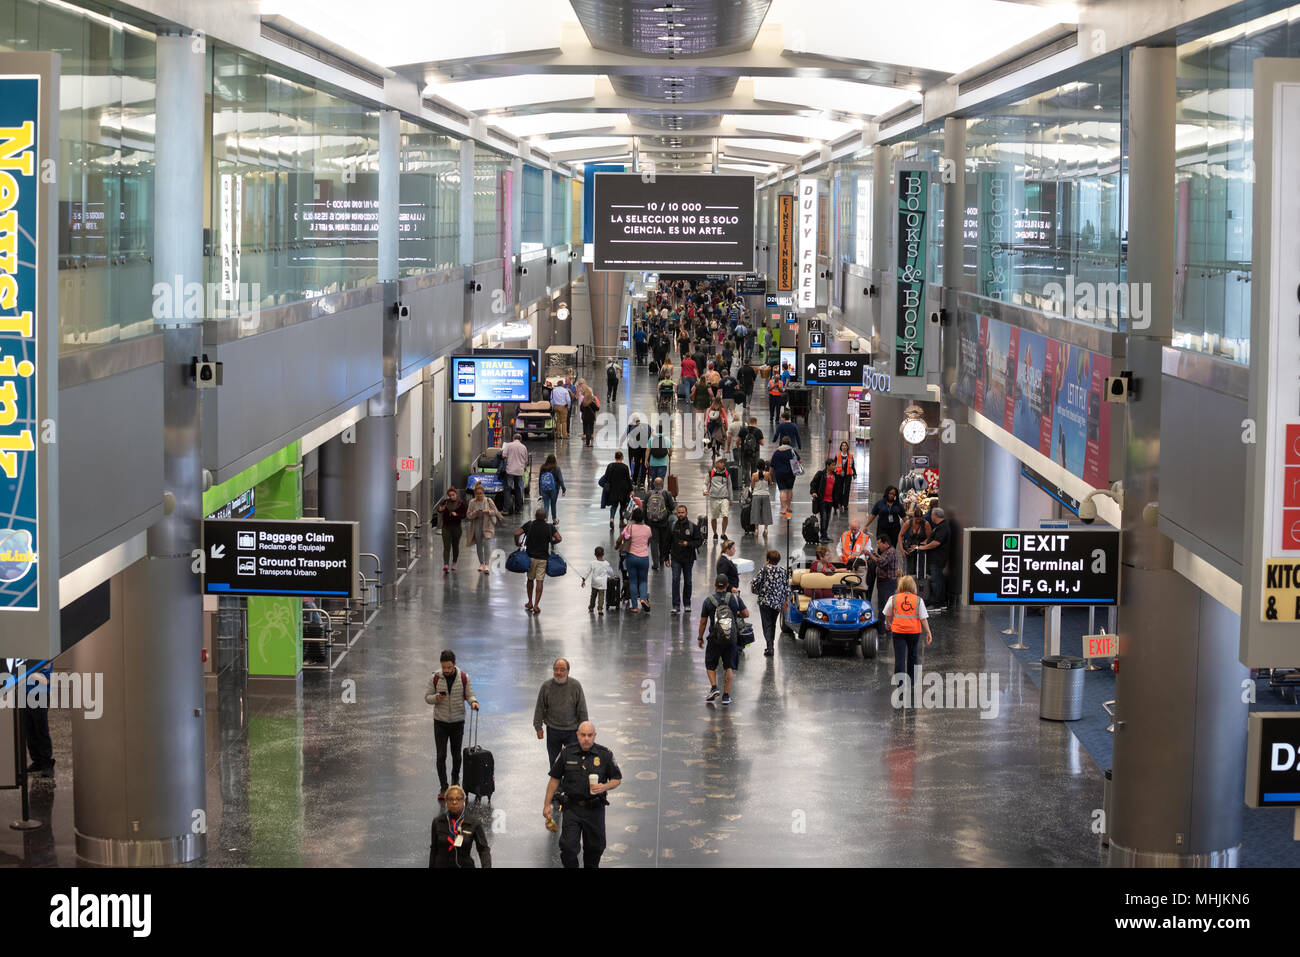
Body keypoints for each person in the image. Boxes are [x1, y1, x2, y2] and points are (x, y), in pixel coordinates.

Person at [543, 721, 622, 868]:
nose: (586, 739)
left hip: (595, 809)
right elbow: (554, 779)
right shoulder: (566, 753)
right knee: (567, 848)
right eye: (583, 735)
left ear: (595, 736)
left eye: (590, 735)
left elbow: (617, 779)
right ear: (577, 735)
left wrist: (604, 786)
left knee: (595, 849)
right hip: (572, 808)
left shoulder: (605, 755)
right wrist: (546, 804)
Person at [534, 658, 590, 831]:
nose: (558, 672)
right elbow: (540, 708)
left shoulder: (575, 686)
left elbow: (582, 709)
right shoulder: (546, 687)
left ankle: (572, 790)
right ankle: (557, 792)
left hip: (573, 731)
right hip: (553, 730)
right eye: (556, 669)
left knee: (574, 763)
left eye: (562, 669)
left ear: (568, 671)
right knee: (555, 762)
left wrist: (584, 730)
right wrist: (538, 727)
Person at [424, 650, 480, 800]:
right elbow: (427, 698)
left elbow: (469, 695)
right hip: (440, 722)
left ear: (454, 664)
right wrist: (436, 697)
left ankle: (455, 783)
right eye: (444, 667)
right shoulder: (435, 678)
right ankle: (443, 786)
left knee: (456, 756)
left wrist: (473, 702)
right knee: (441, 756)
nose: (446, 670)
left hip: (457, 722)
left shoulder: (463, 678)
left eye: (449, 667)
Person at [698, 576, 749, 706]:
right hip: (731, 638)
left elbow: (703, 622)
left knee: (710, 664)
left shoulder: (708, 601)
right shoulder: (734, 598)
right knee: (729, 666)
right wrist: (735, 613)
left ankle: (714, 687)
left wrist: (700, 637)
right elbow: (746, 614)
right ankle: (726, 696)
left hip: (715, 638)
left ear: (715, 585)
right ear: (727, 586)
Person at [883, 575, 933, 693]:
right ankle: (911, 682)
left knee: (899, 658)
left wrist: (887, 622)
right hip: (913, 632)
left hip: (898, 631)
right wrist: (928, 632)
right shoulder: (918, 600)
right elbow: (923, 618)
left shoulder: (893, 598)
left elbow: (887, 612)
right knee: (913, 656)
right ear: (913, 586)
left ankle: (900, 684)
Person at [429, 785, 492, 868]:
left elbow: (483, 849)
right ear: (446, 802)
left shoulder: (474, 823)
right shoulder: (438, 822)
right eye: (450, 799)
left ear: (464, 801)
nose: (454, 802)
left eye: (458, 799)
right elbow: (434, 849)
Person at [516, 508, 562, 614]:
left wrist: (517, 543)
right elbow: (559, 538)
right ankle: (536, 605)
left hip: (530, 558)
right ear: (545, 517)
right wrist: (552, 542)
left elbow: (517, 533)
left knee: (530, 580)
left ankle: (529, 602)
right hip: (543, 559)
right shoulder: (550, 527)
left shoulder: (530, 525)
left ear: (536, 516)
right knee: (540, 581)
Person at [749, 549, 790, 657]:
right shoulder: (783, 571)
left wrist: (755, 591)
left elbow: (755, 582)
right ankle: (770, 645)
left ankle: (770, 647)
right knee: (773, 624)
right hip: (777, 603)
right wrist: (786, 601)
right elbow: (787, 587)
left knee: (766, 624)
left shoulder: (765, 569)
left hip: (765, 602)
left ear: (767, 560)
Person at [914, 506, 951, 612]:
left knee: (936, 580)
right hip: (936, 558)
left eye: (932, 515)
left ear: (935, 516)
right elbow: (932, 540)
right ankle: (941, 601)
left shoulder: (942, 527)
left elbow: (936, 542)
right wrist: (923, 544)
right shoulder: (940, 526)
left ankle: (937, 603)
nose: (931, 516)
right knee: (938, 579)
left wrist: (923, 547)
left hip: (938, 558)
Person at [619, 508, 654, 613]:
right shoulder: (648, 529)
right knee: (643, 580)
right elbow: (648, 541)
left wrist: (618, 546)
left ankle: (634, 606)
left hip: (631, 557)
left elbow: (622, 538)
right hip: (644, 558)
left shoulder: (629, 528)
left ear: (633, 517)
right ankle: (643, 598)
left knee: (633, 581)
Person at [465, 483, 503, 573]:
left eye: (481, 493)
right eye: (477, 494)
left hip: (487, 524)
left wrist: (487, 511)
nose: (479, 495)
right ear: (475, 494)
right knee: (478, 544)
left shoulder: (488, 501)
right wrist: (475, 512)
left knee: (487, 544)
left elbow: (495, 511)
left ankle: (486, 564)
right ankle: (481, 563)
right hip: (476, 524)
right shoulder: (472, 502)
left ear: (483, 493)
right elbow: (468, 515)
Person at [670, 504, 700, 614]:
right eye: (679, 512)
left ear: (686, 513)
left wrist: (688, 544)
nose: (680, 514)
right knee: (675, 581)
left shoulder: (693, 527)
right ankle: (675, 605)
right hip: (675, 558)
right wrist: (665, 557)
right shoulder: (673, 526)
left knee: (688, 582)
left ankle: (687, 604)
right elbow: (667, 541)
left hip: (688, 559)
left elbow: (699, 541)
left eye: (682, 512)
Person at [644, 476, 675, 568]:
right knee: (663, 542)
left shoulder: (648, 494)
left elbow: (644, 509)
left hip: (651, 523)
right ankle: (662, 559)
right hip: (664, 522)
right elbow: (672, 507)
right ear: (662, 484)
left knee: (654, 543)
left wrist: (646, 521)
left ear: (653, 484)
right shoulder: (667, 494)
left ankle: (655, 563)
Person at [436, 486, 468, 572]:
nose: (451, 497)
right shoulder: (445, 502)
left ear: (456, 494)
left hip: (456, 527)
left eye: (453, 495)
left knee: (455, 546)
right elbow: (439, 510)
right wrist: (440, 509)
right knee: (446, 546)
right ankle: (446, 564)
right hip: (446, 527)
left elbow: (464, 515)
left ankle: (454, 562)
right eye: (450, 495)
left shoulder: (461, 503)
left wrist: (457, 515)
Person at [810, 455, 838, 543]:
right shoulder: (821, 474)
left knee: (827, 518)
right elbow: (813, 484)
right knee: (824, 517)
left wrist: (838, 502)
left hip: (830, 501)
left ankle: (824, 534)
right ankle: (823, 536)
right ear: (828, 466)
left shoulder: (835, 476)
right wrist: (813, 492)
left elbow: (837, 490)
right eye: (833, 465)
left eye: (835, 465)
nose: (834, 467)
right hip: (822, 500)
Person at [580, 547, 616, 615]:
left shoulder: (592, 563)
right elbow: (611, 572)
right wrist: (612, 576)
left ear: (594, 554)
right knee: (601, 596)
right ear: (603, 554)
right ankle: (600, 609)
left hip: (594, 583)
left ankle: (591, 607)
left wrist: (583, 579)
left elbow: (587, 572)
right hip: (602, 583)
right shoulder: (606, 563)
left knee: (593, 595)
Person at [602, 451, 633, 528]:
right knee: (622, 506)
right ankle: (621, 522)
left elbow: (606, 478)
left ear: (615, 457)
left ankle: (612, 519)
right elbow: (628, 480)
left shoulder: (610, 466)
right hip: (623, 490)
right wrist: (631, 490)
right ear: (622, 457)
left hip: (613, 489)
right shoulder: (625, 467)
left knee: (614, 505)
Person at [771, 435, 799, 519]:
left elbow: (772, 464)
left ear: (781, 442)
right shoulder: (792, 451)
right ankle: (789, 506)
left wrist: (770, 474)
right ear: (790, 442)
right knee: (789, 490)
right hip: (791, 473)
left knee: (782, 491)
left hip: (779, 473)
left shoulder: (777, 452)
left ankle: (783, 508)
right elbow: (799, 460)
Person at [706, 457, 733, 540]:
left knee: (725, 515)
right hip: (713, 498)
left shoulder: (727, 474)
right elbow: (705, 483)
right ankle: (715, 533)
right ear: (716, 463)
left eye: (723, 462)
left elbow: (729, 486)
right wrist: (704, 490)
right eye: (721, 462)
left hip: (724, 498)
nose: (723, 464)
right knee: (714, 517)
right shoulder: (711, 473)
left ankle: (723, 533)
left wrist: (731, 498)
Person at [501, 433, 528, 515]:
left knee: (507, 489)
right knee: (518, 490)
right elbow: (526, 460)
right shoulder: (524, 447)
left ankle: (506, 510)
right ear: (521, 439)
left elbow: (503, 456)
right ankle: (519, 510)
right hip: (519, 471)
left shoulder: (508, 445)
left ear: (513, 438)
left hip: (510, 471)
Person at [900, 510, 932, 577]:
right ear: (914, 517)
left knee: (919, 571)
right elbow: (900, 535)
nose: (918, 520)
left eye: (920, 518)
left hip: (920, 551)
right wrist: (901, 549)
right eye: (916, 518)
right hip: (908, 550)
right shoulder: (908, 523)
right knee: (908, 570)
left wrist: (921, 544)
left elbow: (930, 538)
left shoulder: (926, 524)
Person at [874, 535, 900, 613]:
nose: (878, 547)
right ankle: (881, 624)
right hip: (884, 582)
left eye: (879, 544)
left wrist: (870, 554)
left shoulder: (890, 551)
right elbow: (883, 560)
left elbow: (881, 563)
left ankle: (885, 624)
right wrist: (876, 555)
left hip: (887, 583)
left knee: (885, 607)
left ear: (885, 543)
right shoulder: (886, 551)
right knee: (882, 606)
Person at [538, 453, 566, 524]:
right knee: (553, 504)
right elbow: (560, 479)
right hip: (554, 489)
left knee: (546, 504)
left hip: (544, 488)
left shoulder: (543, 467)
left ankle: (545, 519)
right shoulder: (557, 468)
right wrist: (563, 489)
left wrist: (540, 490)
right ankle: (554, 519)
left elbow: (540, 479)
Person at [750, 458, 775, 538]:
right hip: (765, 495)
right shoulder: (767, 474)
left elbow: (752, 486)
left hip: (756, 495)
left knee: (756, 512)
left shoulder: (754, 475)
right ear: (764, 466)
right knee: (766, 512)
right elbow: (771, 483)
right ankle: (766, 529)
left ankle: (756, 529)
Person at [625, 414, 651, 488]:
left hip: (635, 448)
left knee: (636, 464)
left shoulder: (631, 426)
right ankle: (642, 482)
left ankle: (634, 481)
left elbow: (628, 435)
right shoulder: (647, 426)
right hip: (645, 448)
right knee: (644, 465)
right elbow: (651, 435)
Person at [831, 440, 855, 514]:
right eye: (843, 446)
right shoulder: (837, 455)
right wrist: (833, 472)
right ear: (841, 447)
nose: (844, 447)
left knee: (847, 490)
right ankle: (840, 503)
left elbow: (853, 465)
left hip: (848, 474)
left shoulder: (850, 456)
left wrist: (854, 474)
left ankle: (845, 505)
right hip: (839, 475)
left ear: (847, 447)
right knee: (839, 489)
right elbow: (834, 464)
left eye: (845, 446)